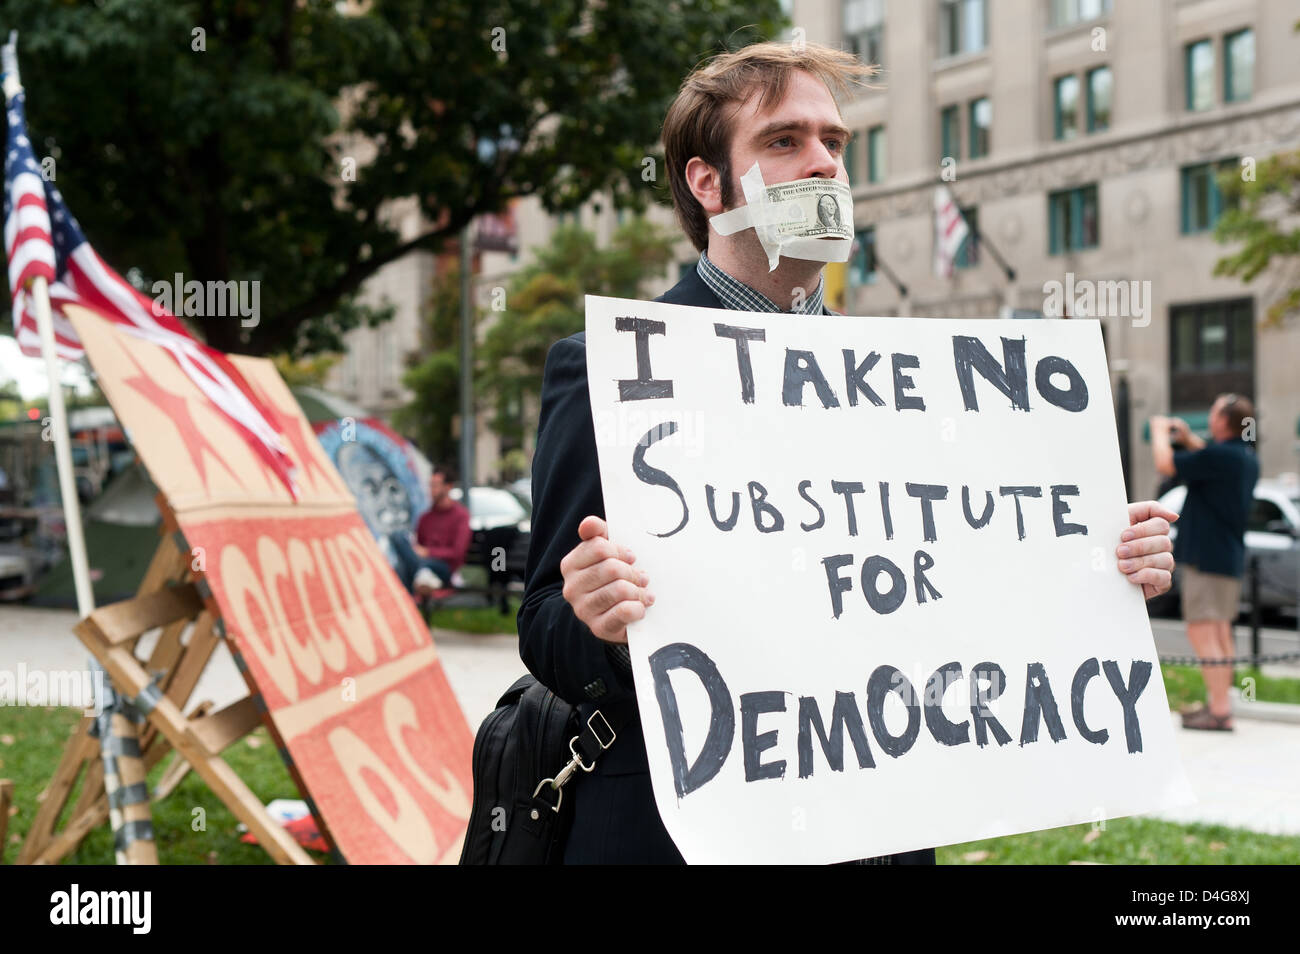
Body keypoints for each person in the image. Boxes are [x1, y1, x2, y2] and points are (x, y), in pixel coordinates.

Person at [520, 41, 1178, 865]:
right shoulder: (614, 365)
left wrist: (1110, 568)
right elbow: (544, 628)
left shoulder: (916, 389)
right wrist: (596, 619)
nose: (825, 164)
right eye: (784, 141)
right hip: (678, 832)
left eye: (835, 141)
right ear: (706, 181)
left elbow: (975, 576)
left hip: (879, 831)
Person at [1151, 395, 1260, 731]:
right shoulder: (1244, 457)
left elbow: (1166, 464)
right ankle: (1221, 704)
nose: (1209, 418)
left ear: (1223, 422)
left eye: (1213, 412)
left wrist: (1158, 429)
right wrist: (1187, 438)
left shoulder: (1220, 456)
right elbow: (1207, 455)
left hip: (1206, 557)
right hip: (1227, 556)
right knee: (1220, 631)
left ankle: (1219, 710)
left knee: (1200, 629)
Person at [390, 466, 471, 596]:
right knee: (398, 538)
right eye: (430, 486)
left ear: (448, 487)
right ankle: (421, 578)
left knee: (409, 566)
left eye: (435, 485)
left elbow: (457, 553)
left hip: (445, 568)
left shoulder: (461, 516)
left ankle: (412, 596)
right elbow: (418, 545)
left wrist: (428, 552)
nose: (431, 490)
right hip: (420, 563)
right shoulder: (425, 517)